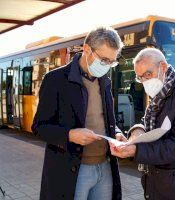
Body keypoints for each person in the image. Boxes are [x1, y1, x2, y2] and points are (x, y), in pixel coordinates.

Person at [32, 27, 125, 200]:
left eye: (111, 62)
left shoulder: (104, 81)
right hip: (73, 169)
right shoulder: (56, 79)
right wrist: (70, 135)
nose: (107, 66)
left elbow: (105, 119)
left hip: (105, 167)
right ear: (87, 49)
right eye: (104, 60)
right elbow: (39, 127)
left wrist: (117, 133)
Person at [110, 48, 175, 200]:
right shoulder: (160, 92)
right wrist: (137, 132)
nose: (144, 81)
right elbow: (148, 122)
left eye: (148, 74)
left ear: (163, 67)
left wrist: (135, 151)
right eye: (140, 77)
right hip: (159, 186)